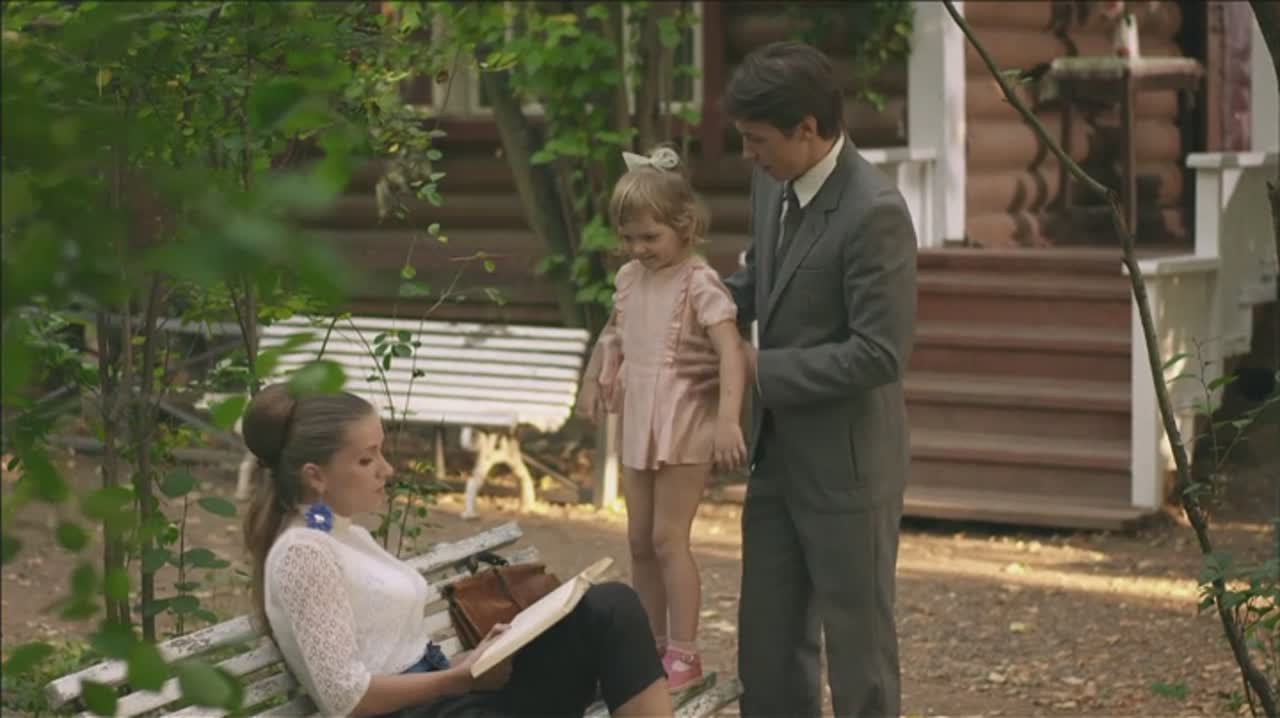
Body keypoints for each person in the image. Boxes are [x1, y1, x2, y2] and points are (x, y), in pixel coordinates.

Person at [241, 383, 674, 718]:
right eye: (366, 460)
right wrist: (459, 679)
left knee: (609, 607)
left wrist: (477, 660)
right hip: (420, 711)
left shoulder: (330, 530)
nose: (386, 470)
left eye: (381, 454)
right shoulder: (302, 554)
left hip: (446, 697)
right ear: (315, 476)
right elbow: (347, 699)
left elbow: (390, 649)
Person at [712, 41, 918, 717]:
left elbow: (880, 353)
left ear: (806, 128)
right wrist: (696, 309)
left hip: (850, 469)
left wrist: (759, 367)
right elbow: (760, 281)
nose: (749, 154)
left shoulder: (875, 212)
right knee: (767, 650)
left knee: (859, 654)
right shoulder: (770, 183)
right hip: (774, 457)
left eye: (757, 139)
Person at [576, 146, 748, 691]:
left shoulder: (699, 282)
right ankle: (646, 646)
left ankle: (684, 653)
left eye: (650, 237)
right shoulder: (630, 278)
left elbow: (731, 352)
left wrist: (728, 419)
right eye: (629, 238)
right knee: (638, 539)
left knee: (670, 538)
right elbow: (614, 333)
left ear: (686, 226)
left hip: (685, 418)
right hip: (638, 419)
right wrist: (592, 375)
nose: (638, 248)